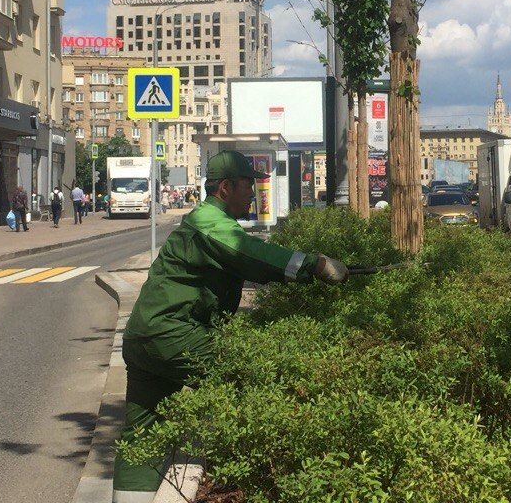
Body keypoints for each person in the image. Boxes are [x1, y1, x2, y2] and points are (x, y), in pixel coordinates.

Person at [111, 151, 349, 500]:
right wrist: (315, 265)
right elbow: (250, 254)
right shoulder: (210, 221)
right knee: (249, 376)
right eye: (247, 185)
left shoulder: (204, 220)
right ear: (226, 187)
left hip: (144, 336)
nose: (252, 193)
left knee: (143, 433)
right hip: (173, 334)